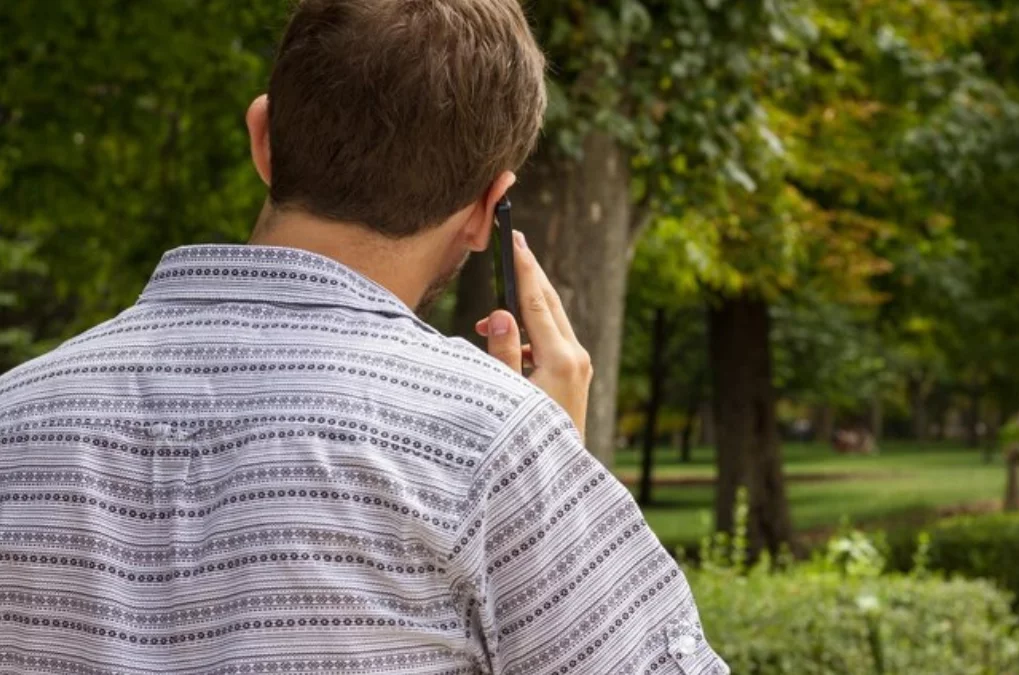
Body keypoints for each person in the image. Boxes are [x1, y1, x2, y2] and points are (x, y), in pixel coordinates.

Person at [0, 1, 727, 673]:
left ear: (263, 137)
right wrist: (548, 474)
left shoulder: (16, 415)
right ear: (488, 209)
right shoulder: (493, 444)